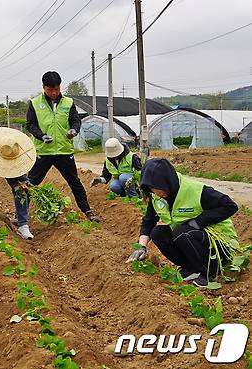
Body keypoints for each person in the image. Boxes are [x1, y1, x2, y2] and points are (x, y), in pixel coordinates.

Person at [127, 158, 239, 288]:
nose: (157, 192)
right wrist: (142, 247)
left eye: (159, 187)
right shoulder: (156, 197)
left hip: (220, 245)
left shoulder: (195, 191)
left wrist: (198, 222)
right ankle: (192, 268)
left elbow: (230, 206)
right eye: (152, 188)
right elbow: (148, 222)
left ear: (169, 181)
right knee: (157, 233)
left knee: (181, 233)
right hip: (191, 239)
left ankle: (210, 272)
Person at [26, 71, 101, 222]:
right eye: (50, 89)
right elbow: (30, 124)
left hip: (64, 151)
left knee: (75, 182)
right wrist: (41, 135)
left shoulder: (68, 102)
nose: (54, 93)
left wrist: (74, 130)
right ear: (44, 87)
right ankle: (20, 215)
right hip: (44, 151)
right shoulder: (35, 103)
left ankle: (87, 211)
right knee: (30, 183)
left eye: (57, 89)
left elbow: (76, 120)